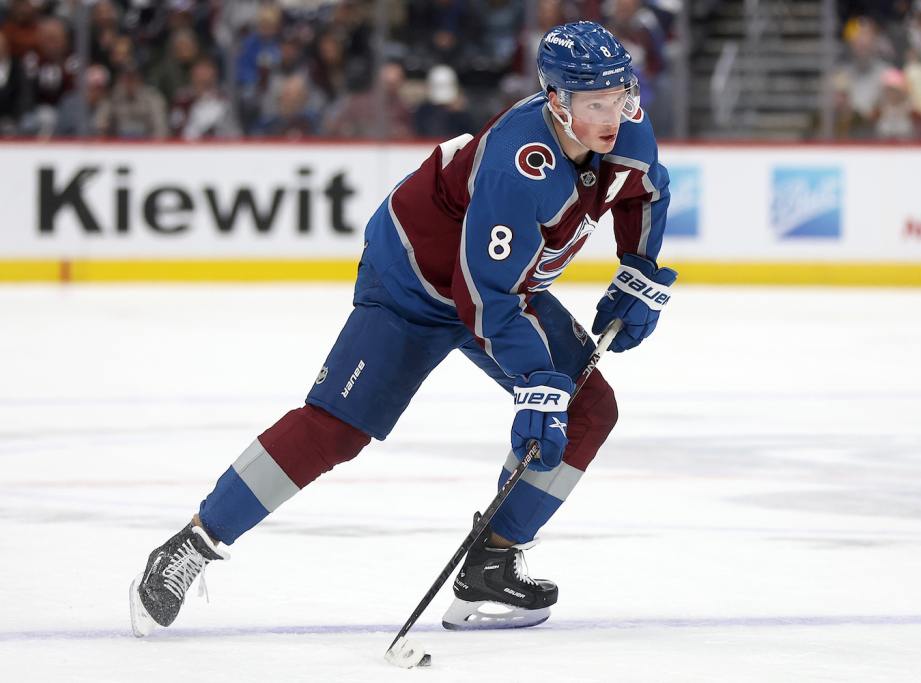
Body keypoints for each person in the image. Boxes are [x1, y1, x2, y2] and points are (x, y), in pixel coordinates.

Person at [129, 20, 676, 636]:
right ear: (556, 101)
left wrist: (638, 269)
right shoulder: (515, 165)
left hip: (495, 287)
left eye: (622, 96)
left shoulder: (625, 128)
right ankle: (194, 544)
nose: (615, 115)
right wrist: (536, 381)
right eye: (596, 103)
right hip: (412, 285)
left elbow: (645, 191)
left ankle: (492, 564)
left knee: (588, 410)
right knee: (334, 427)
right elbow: (485, 295)